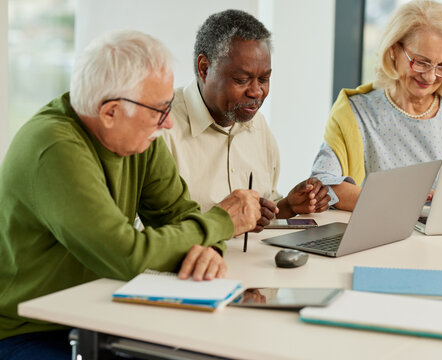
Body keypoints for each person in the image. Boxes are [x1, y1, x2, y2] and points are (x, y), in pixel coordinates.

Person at [0, 30, 261, 359]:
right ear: (110, 112)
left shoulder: (139, 139)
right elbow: (128, 255)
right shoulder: (53, 148)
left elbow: (185, 218)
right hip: (31, 327)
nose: (167, 124)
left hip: (104, 310)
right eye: (159, 110)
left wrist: (209, 247)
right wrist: (222, 222)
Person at [311, 0, 442, 211]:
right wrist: (402, 200)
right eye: (421, 62)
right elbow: (322, 185)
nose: (430, 76)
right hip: (380, 235)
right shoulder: (355, 111)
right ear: (394, 50)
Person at [162, 9, 330, 230]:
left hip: (255, 261)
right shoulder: (160, 126)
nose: (257, 92)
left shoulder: (257, 125)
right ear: (204, 69)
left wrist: (287, 205)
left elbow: (262, 212)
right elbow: (145, 231)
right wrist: (221, 221)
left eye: (264, 79)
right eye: (242, 79)